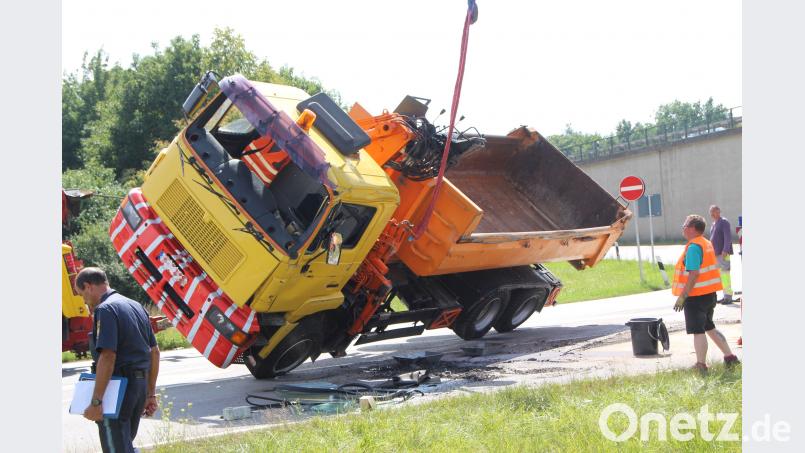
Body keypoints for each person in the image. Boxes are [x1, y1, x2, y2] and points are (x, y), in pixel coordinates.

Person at [75, 267, 160, 453]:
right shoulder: (136, 305)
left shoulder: (105, 309)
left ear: (88, 286)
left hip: (117, 389)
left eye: (82, 295)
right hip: (138, 387)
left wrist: (96, 402)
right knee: (125, 445)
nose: (84, 300)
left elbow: (107, 356)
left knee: (117, 448)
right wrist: (150, 394)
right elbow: (154, 352)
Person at [672, 215, 739, 373]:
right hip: (709, 295)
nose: (683, 228)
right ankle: (730, 357)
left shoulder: (694, 247)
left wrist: (682, 297)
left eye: (685, 225)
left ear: (692, 228)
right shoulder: (706, 243)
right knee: (709, 327)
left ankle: (701, 365)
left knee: (698, 331)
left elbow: (693, 274)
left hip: (696, 296)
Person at [708, 205, 735, 304]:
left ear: (719, 211)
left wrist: (725, 249)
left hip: (723, 253)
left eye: (714, 211)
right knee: (721, 276)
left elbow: (727, 237)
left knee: (725, 275)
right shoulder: (714, 223)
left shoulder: (724, 222)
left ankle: (728, 296)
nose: (712, 214)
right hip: (716, 253)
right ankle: (725, 295)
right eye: (711, 212)